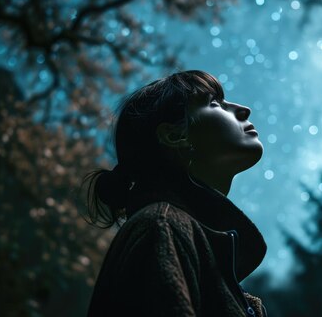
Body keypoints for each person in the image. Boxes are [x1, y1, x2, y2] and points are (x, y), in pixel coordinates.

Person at [84, 71, 267, 316]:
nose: (244, 109)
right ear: (174, 135)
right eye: (214, 103)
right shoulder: (161, 228)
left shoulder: (177, 235)